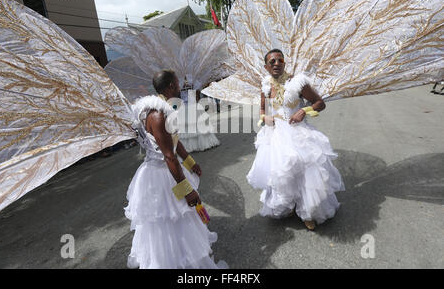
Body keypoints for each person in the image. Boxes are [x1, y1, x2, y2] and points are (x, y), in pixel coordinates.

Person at [125, 69, 226, 268]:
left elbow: (173, 142)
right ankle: (176, 261)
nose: (181, 87)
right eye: (178, 84)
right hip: (162, 174)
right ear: (171, 86)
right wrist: (187, 190)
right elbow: (168, 155)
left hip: (165, 169)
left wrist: (190, 162)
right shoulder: (158, 114)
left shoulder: (161, 109)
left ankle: (181, 255)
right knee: (173, 217)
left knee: (174, 220)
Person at [246, 49, 345, 230]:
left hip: (297, 132)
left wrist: (304, 111)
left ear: (284, 63)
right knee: (280, 173)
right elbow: (263, 110)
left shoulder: (297, 82)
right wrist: (264, 118)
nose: (276, 63)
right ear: (266, 67)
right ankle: (289, 206)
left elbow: (320, 103)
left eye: (280, 60)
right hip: (275, 135)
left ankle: (308, 212)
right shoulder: (266, 86)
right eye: (272, 61)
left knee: (305, 171)